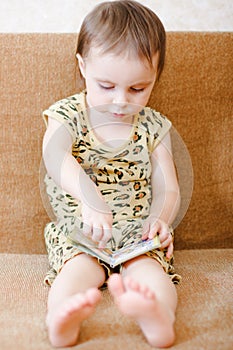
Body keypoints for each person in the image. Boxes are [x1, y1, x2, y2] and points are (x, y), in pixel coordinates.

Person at [42, 0, 181, 348]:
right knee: (77, 271)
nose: (121, 101)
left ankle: (158, 315)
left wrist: (160, 220)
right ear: (83, 67)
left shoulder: (153, 126)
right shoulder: (68, 115)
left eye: (138, 89)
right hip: (83, 231)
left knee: (151, 272)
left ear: (155, 78)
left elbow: (168, 186)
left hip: (137, 232)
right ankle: (63, 320)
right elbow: (54, 156)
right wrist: (90, 198)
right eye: (106, 86)